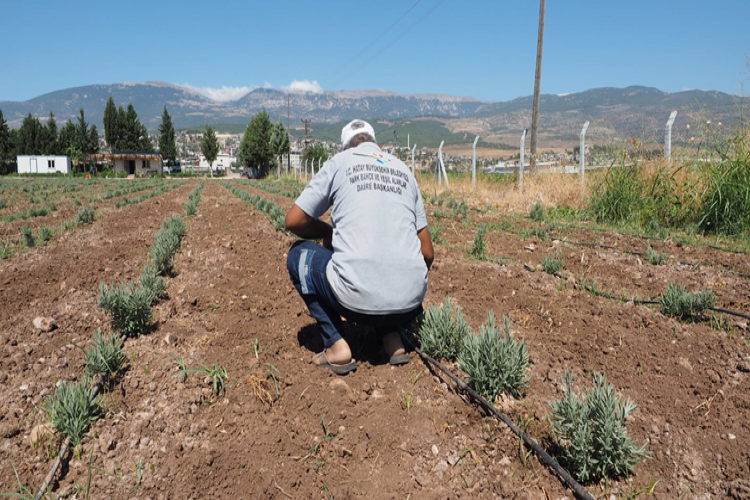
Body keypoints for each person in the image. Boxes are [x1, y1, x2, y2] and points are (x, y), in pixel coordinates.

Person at [286, 119, 434, 375]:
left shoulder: (340, 163)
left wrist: (328, 231)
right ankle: (392, 337)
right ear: (374, 142)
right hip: (409, 304)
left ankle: (336, 345)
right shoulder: (403, 170)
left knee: (297, 255)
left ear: (345, 147)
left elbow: (294, 220)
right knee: (385, 264)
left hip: (354, 302)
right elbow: (427, 253)